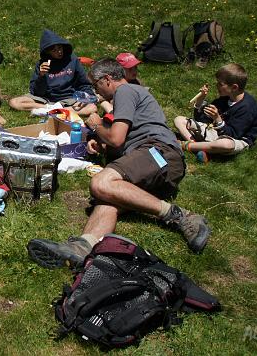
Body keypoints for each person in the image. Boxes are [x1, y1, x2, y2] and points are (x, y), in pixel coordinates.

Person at [27, 59, 210, 270]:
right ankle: (83, 246)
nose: (96, 92)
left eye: (96, 85)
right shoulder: (128, 97)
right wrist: (102, 143)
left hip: (160, 154)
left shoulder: (126, 90)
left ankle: (180, 216)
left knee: (101, 184)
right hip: (151, 161)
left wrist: (96, 127)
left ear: (107, 79)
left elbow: (116, 138)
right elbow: (118, 141)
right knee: (107, 197)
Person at [173, 63, 257, 163]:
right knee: (179, 120)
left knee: (225, 144)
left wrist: (218, 120)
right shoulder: (224, 99)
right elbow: (202, 120)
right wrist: (200, 101)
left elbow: (234, 135)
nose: (217, 86)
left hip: (237, 139)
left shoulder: (247, 107)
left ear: (234, 87)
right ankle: (202, 149)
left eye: (220, 84)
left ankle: (184, 145)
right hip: (217, 132)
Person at [8, 29, 97, 116]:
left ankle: (48, 111)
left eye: (60, 48)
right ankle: (54, 110)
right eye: (54, 50)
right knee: (14, 102)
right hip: (46, 100)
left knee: (92, 108)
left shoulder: (72, 60)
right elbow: (37, 93)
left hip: (69, 99)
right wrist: (41, 76)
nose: (59, 52)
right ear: (48, 52)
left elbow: (84, 84)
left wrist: (87, 96)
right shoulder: (42, 64)